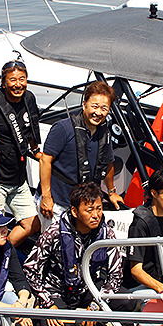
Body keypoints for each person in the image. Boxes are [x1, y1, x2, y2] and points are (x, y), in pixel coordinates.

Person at [23, 182, 135, 326]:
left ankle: (92, 322)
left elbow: (115, 276)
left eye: (99, 209)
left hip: (87, 289)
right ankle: (41, 316)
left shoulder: (107, 234)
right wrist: (47, 303)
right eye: (89, 210)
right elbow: (31, 268)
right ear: (75, 212)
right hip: (57, 292)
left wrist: (95, 306)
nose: (96, 215)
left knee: (127, 301)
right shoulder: (54, 232)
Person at [38, 80, 123, 230]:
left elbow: (109, 163)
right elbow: (45, 160)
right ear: (84, 104)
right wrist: (46, 196)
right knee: (53, 247)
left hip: (82, 205)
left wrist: (112, 192)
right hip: (57, 201)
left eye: (104, 108)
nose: (98, 113)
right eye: (94, 106)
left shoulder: (105, 133)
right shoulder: (63, 128)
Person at [0, 61, 41, 246]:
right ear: (4, 83)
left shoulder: (28, 99)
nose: (18, 84)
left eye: (22, 79)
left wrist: (37, 152)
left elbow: (31, 128)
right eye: (13, 80)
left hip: (19, 180)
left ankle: (2, 253)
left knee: (32, 223)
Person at [125, 167, 163, 294]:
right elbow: (136, 270)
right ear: (154, 193)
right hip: (139, 286)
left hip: (159, 277)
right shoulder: (140, 224)